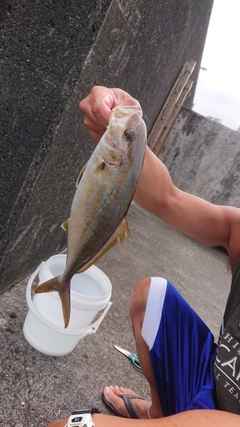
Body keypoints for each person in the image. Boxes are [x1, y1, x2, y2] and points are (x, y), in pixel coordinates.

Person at [47, 87, 240, 427]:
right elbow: (169, 199)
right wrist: (126, 125)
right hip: (214, 383)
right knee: (152, 298)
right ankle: (159, 408)